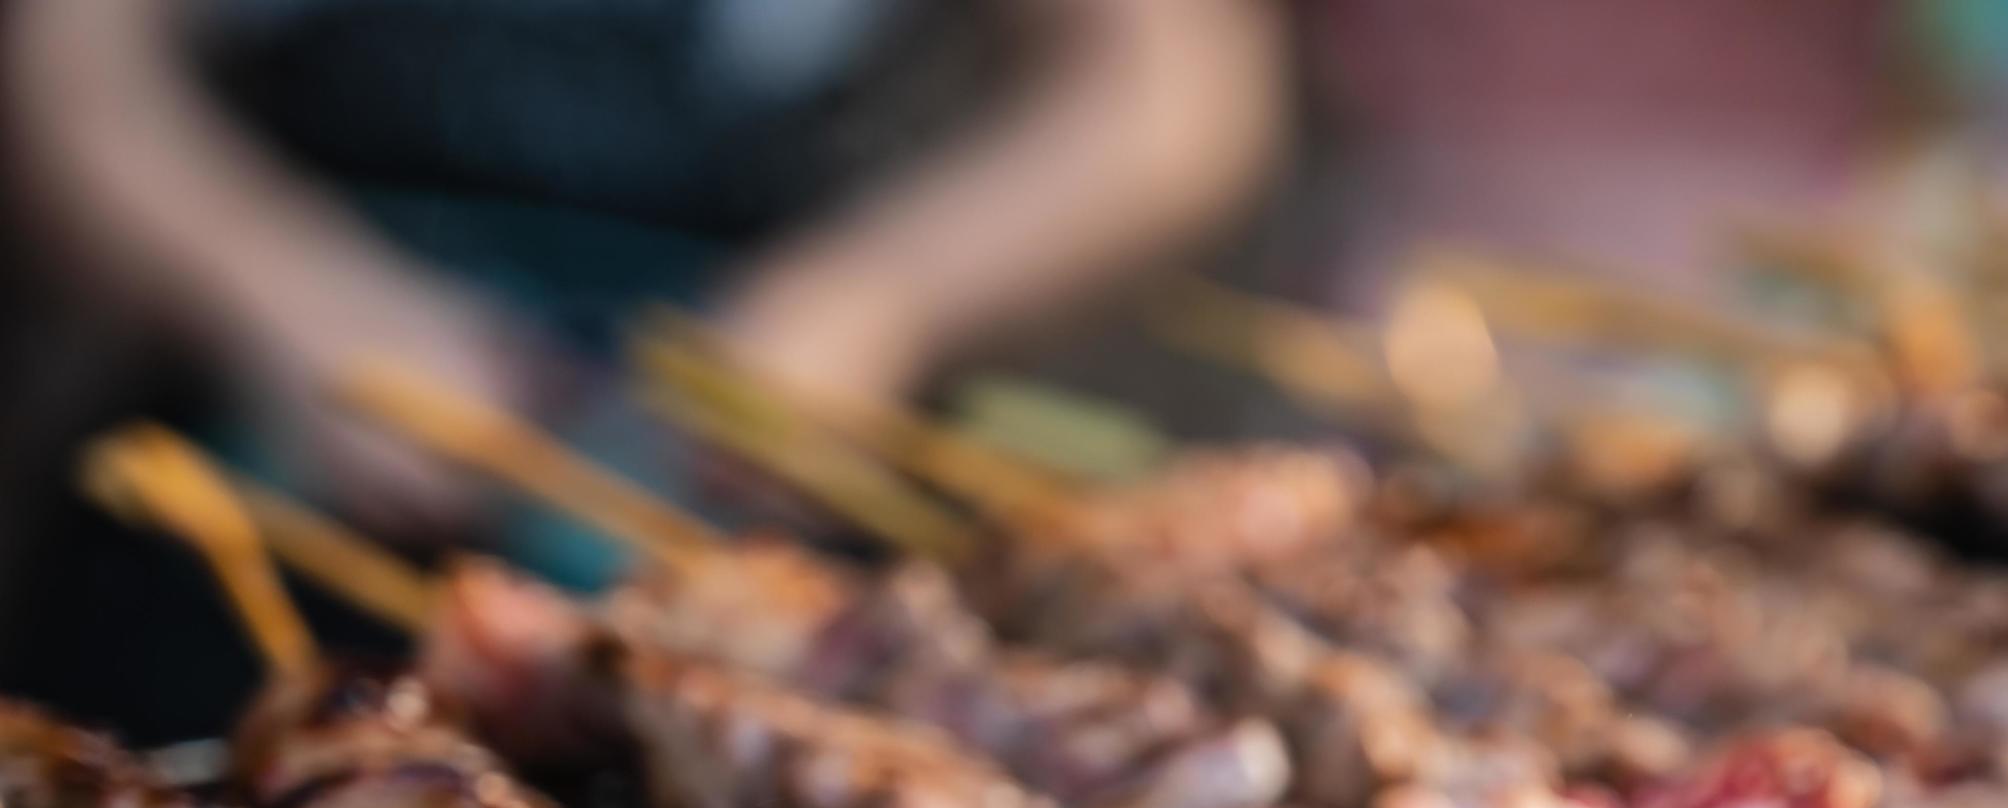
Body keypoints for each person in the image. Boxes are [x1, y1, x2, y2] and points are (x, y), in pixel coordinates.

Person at [4, 0, 1289, 533]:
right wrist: (271, 288)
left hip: (759, 503)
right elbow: (69, 65)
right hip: (252, 484)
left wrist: (876, 298)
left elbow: (1168, 90)